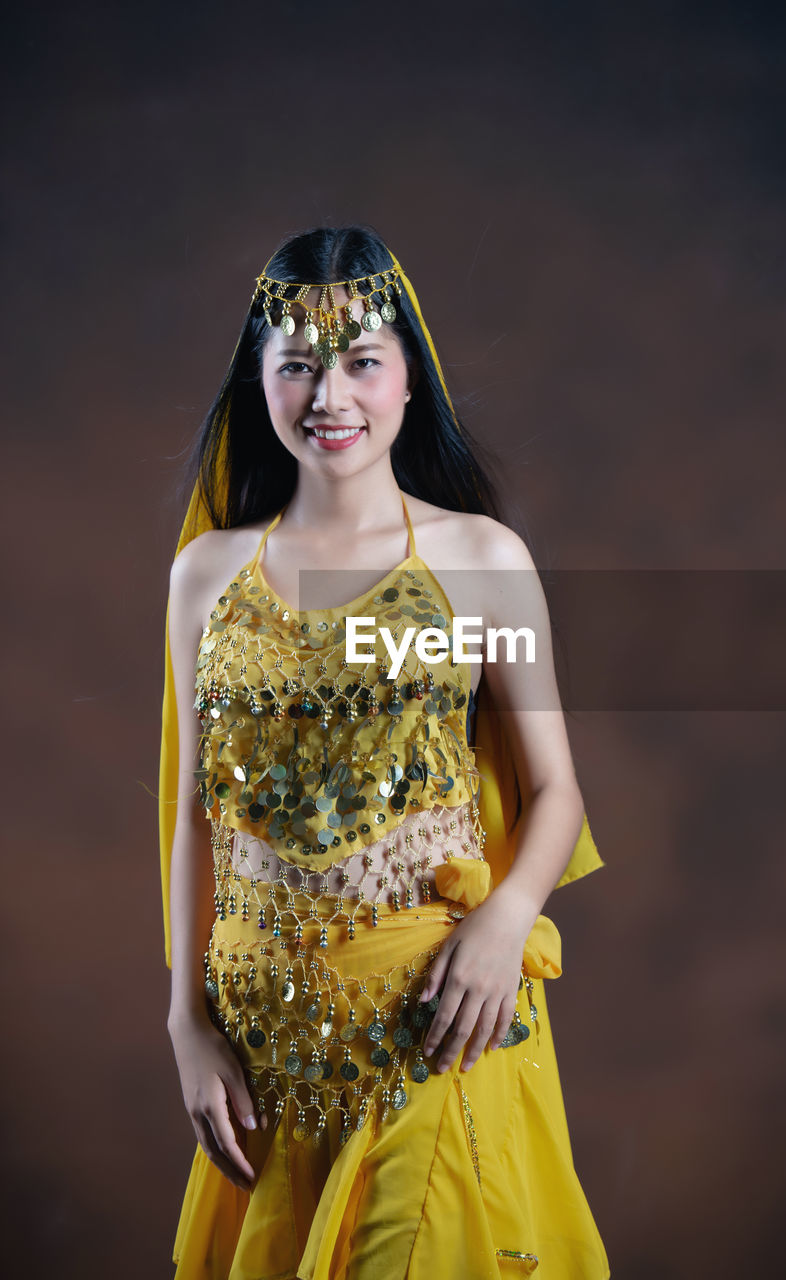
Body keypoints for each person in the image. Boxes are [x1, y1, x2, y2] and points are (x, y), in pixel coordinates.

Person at [160, 224, 610, 1278]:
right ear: (258, 385)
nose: (331, 394)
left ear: (410, 377)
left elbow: (552, 788)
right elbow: (191, 809)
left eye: (361, 360)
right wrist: (184, 1020)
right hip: (265, 1059)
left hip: (430, 1023)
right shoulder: (205, 575)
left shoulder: (481, 559)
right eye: (299, 365)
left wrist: (506, 916)